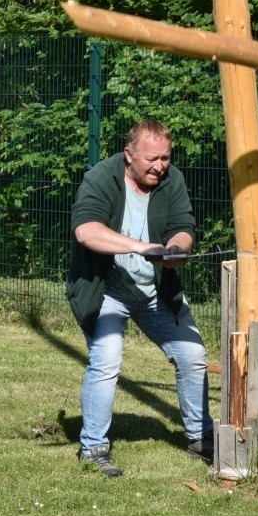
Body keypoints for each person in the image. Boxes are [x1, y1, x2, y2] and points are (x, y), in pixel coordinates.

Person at [67, 119, 214, 477]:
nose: (160, 166)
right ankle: (94, 449)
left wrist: (177, 249)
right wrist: (143, 248)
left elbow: (184, 227)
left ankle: (201, 438)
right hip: (106, 291)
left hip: (156, 293)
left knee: (193, 355)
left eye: (166, 157)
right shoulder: (101, 178)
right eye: (152, 159)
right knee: (107, 359)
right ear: (128, 154)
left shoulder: (171, 179)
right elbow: (86, 231)